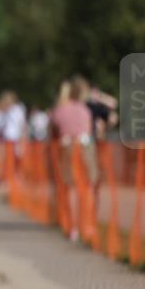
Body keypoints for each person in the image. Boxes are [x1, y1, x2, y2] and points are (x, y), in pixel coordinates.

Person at [51, 76, 97, 242]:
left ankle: (73, 228)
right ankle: (88, 226)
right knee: (88, 186)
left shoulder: (60, 110)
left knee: (70, 187)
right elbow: (90, 128)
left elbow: (53, 130)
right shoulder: (85, 110)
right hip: (85, 147)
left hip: (67, 148)